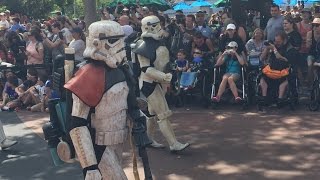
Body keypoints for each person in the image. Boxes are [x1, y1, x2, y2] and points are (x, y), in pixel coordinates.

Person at [132, 16, 190, 151]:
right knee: (163, 114)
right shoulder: (142, 45)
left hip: (157, 81)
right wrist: (163, 76)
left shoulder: (159, 41)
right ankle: (173, 144)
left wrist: (166, 74)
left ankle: (148, 139)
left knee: (152, 114)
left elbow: (162, 61)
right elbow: (145, 68)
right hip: (149, 83)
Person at [259, 32, 299, 105]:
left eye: (278, 42)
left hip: (283, 72)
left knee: (286, 81)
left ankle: (280, 99)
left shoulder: (290, 49)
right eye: (275, 41)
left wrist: (274, 49)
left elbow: (279, 57)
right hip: (272, 72)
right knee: (262, 78)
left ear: (284, 40)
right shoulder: (274, 47)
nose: (276, 43)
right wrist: (267, 49)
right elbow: (261, 58)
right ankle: (264, 97)